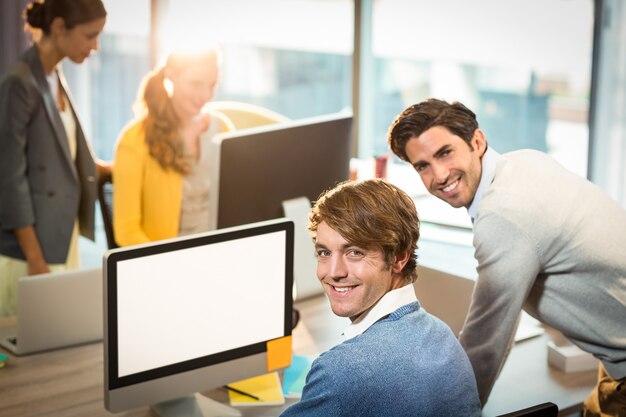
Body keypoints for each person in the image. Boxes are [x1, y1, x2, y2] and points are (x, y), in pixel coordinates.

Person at [387, 98, 626, 416]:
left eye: (445, 153)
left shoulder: (503, 216)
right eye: (423, 166)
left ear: (477, 140)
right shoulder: (524, 161)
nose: (439, 174)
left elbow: (484, 345)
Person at [279, 179, 481, 417]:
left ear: (398, 258)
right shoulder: (443, 336)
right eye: (324, 252)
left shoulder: (340, 371)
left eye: (355, 252)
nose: (333, 272)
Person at [0, 0, 109, 318]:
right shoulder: (19, 82)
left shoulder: (52, 74)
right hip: (29, 252)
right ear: (59, 28)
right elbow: (9, 179)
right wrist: (35, 259)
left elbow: (63, 156)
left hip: (60, 236)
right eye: (90, 35)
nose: (96, 46)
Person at [112, 48, 233, 247]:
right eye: (195, 83)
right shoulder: (134, 140)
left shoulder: (223, 128)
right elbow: (127, 232)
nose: (205, 95)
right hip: (165, 260)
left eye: (212, 85)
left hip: (220, 251)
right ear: (171, 77)